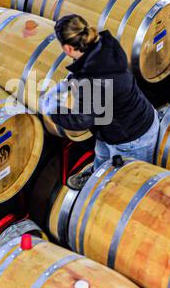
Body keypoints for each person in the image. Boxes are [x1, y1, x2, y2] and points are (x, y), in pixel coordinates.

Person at [43, 14, 160, 190]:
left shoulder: (92, 80)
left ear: (67, 48)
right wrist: (73, 78)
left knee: (126, 186)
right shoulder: (105, 43)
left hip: (132, 137)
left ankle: (107, 187)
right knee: (102, 154)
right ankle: (98, 172)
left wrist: (53, 110)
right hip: (116, 125)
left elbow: (81, 120)